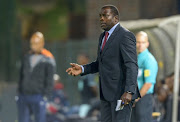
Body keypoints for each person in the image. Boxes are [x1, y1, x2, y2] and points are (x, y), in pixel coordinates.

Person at [66, 5, 140, 122]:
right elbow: (100, 64)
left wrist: (129, 91)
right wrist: (83, 69)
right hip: (106, 94)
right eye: (100, 16)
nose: (101, 19)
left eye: (105, 16)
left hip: (121, 94)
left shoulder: (125, 35)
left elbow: (132, 64)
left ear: (115, 19)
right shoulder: (102, 37)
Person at [17, 32, 56, 122]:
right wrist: (19, 93)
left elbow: (50, 79)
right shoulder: (27, 57)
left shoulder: (48, 59)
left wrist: (46, 96)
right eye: (32, 43)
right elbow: (21, 75)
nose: (33, 46)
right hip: (24, 95)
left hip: (38, 96)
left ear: (42, 43)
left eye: (36, 43)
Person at [131, 31, 158, 122]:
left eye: (143, 42)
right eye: (138, 42)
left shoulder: (149, 60)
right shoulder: (135, 58)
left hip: (143, 98)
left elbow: (148, 84)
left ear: (147, 44)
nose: (140, 45)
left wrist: (136, 99)